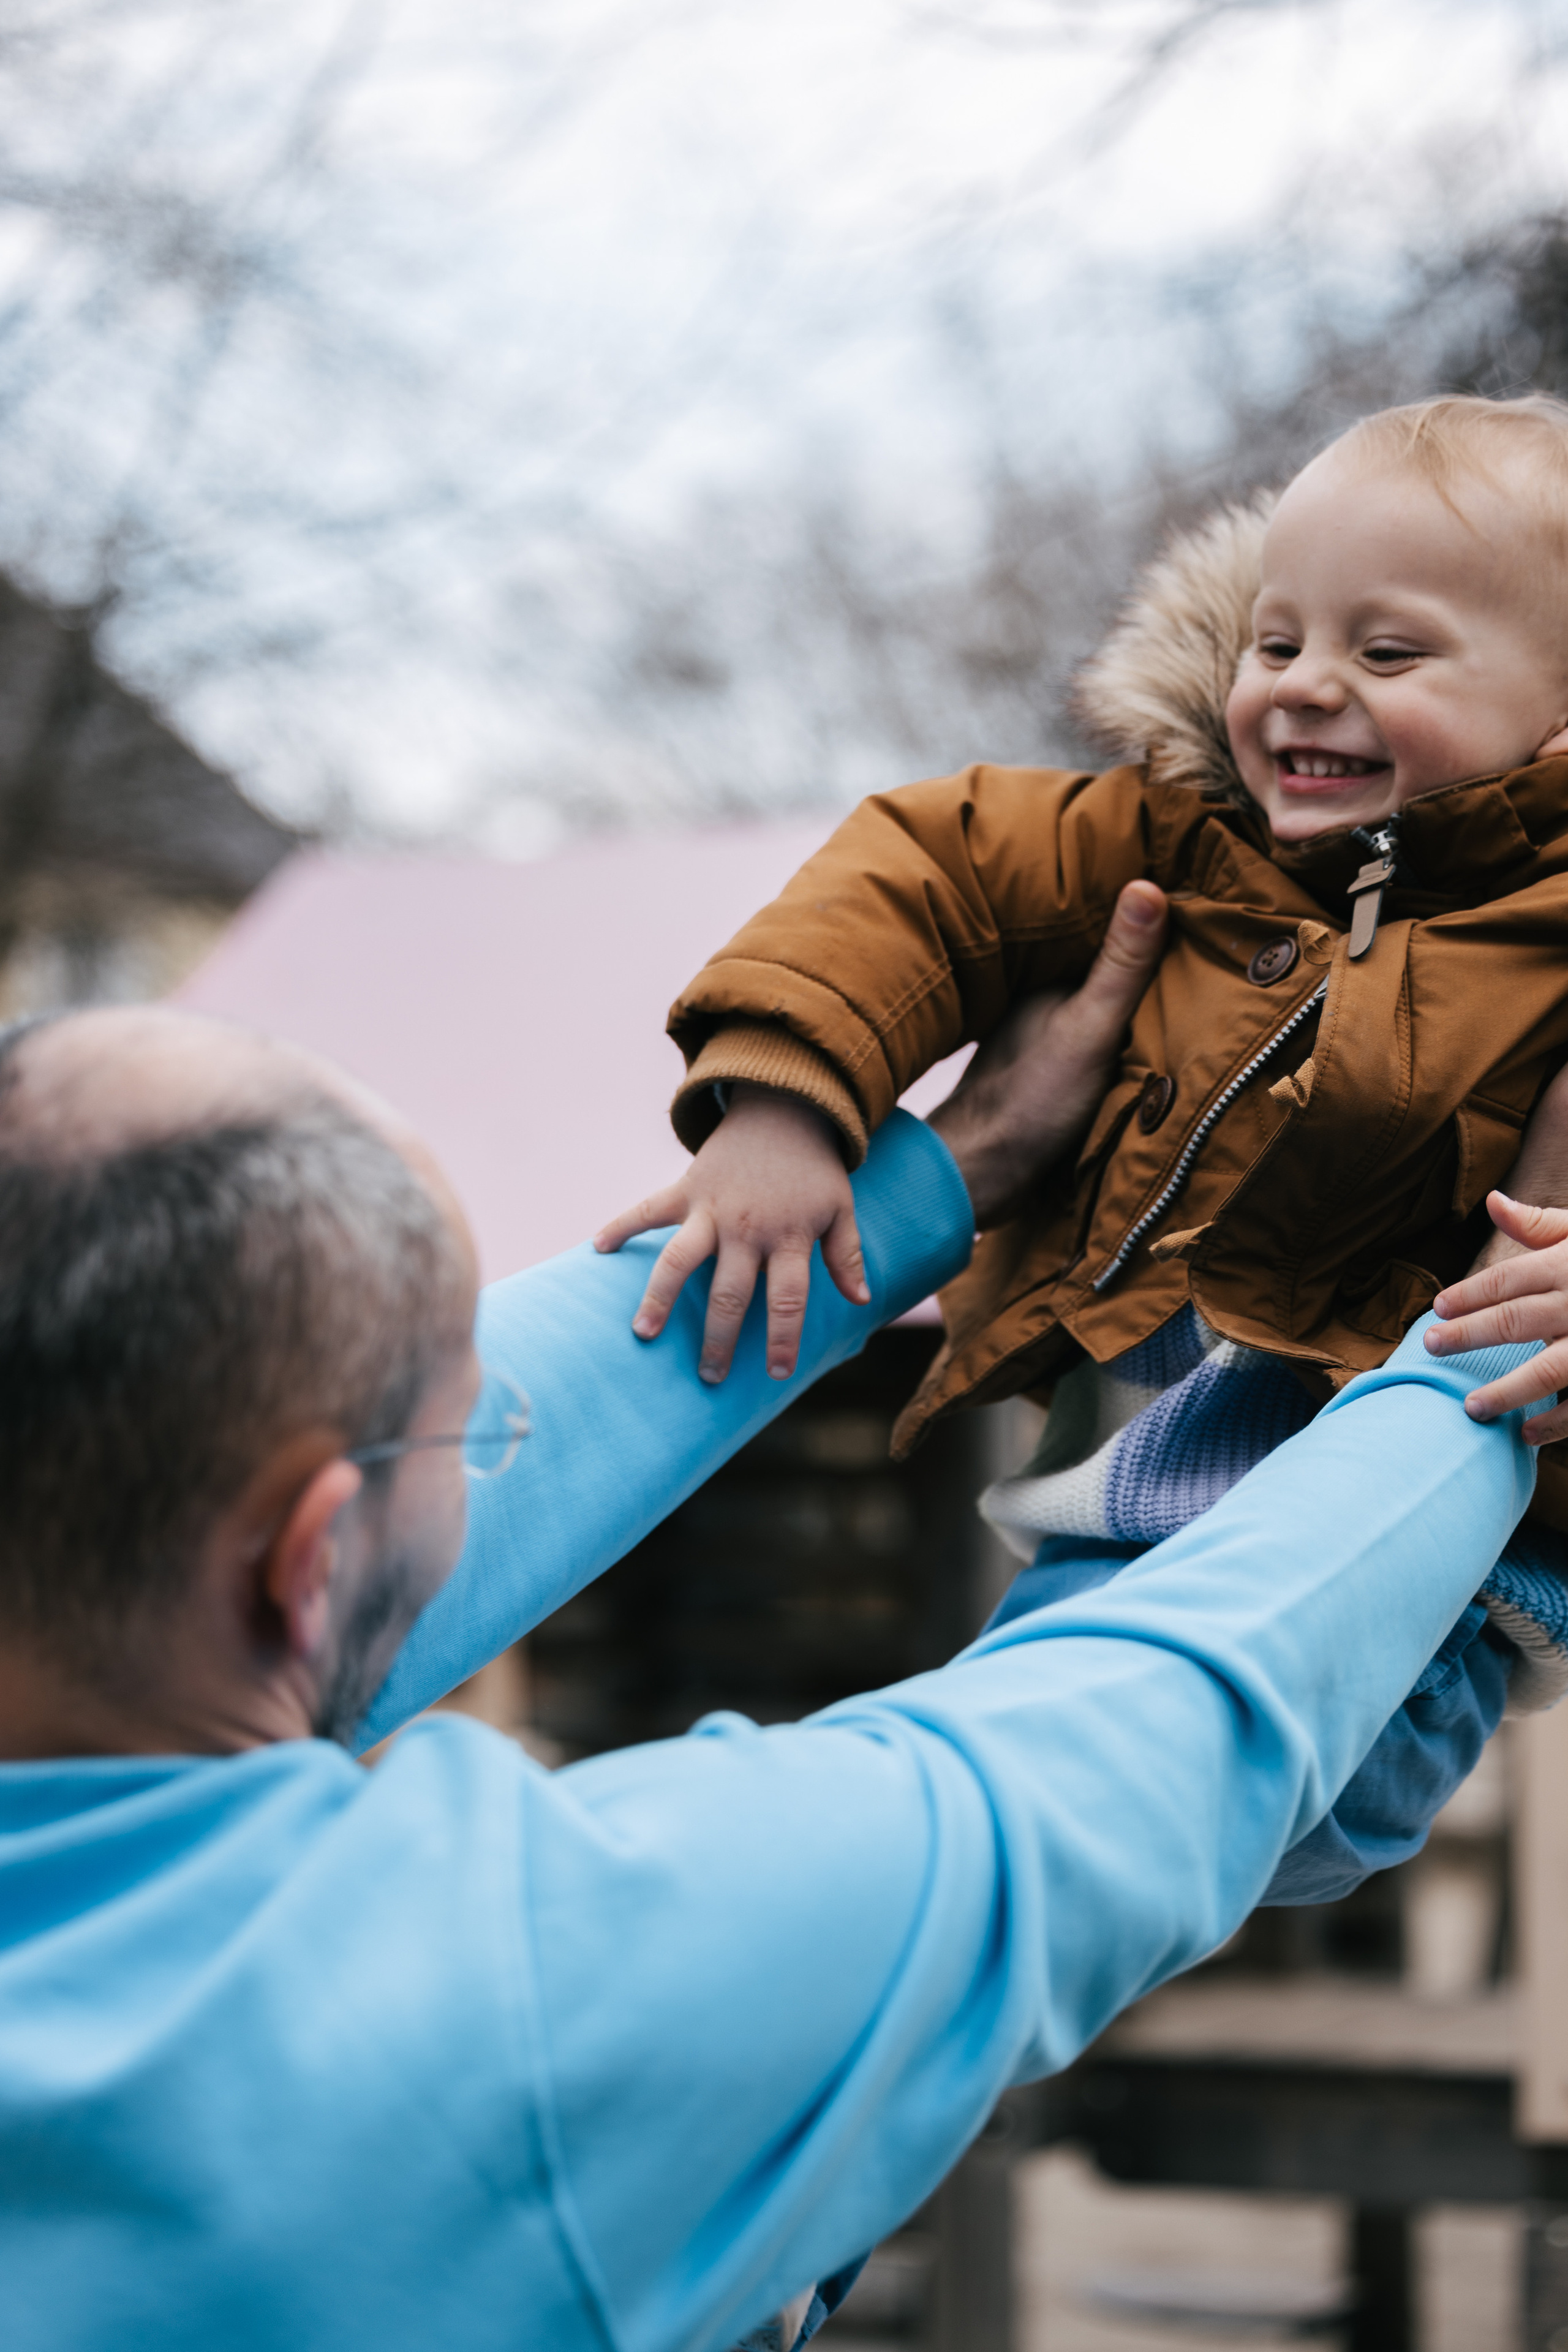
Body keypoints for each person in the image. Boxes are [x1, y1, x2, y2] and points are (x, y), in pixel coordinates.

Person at [0, 949, 1559, 2352]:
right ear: (311, 1558)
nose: (490, 1443)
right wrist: (1489, 1338)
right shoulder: (521, 2007)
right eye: (457, 1425)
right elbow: (1154, 1733)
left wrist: (952, 1171)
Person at [597, 393, 1568, 1768]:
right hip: (1151, 1494)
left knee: (1121, 1781)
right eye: (1274, 638)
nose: (1299, 681)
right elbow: (924, 870)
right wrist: (779, 1105)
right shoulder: (1175, 843)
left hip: (1441, 1568)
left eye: (1388, 651)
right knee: (1023, 1759)